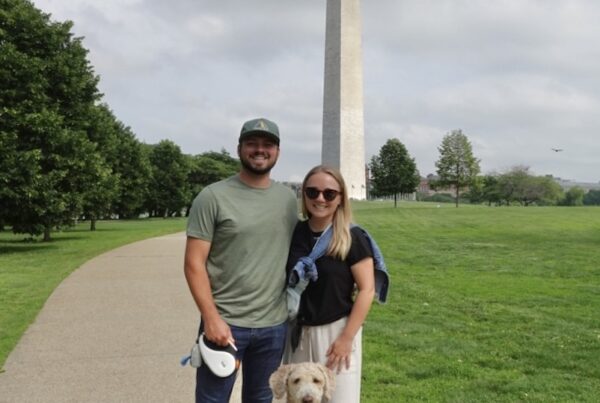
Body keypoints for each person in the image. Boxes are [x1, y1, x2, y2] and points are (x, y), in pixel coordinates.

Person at [184, 117, 298, 402]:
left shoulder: (287, 199)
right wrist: (211, 318)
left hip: (273, 325)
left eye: (267, 145)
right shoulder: (212, 197)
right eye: (252, 143)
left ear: (278, 152)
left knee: (261, 399)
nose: (260, 150)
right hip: (225, 323)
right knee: (212, 399)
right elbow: (193, 264)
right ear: (239, 149)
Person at [283, 165, 376, 403]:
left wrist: (347, 338)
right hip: (299, 334)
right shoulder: (296, 233)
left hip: (337, 334)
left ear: (341, 198)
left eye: (329, 193)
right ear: (304, 195)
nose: (320, 199)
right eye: (312, 192)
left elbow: (367, 290)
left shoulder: (352, 237)